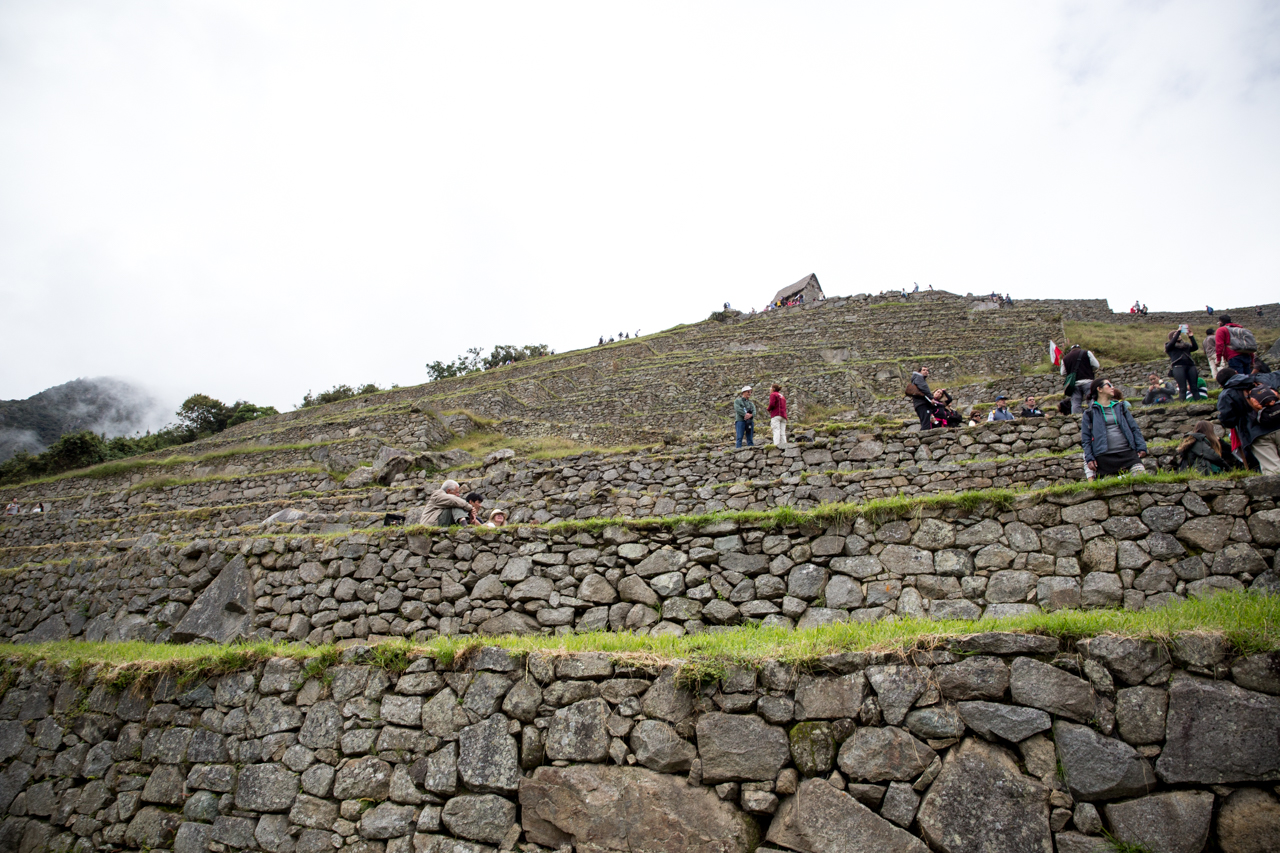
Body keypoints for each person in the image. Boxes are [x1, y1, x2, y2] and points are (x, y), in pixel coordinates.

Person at [1217, 367, 1280, 474]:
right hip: (1278, 422)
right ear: (1237, 372)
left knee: (1273, 469)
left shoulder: (1226, 394)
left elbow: (1228, 421)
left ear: (1221, 385)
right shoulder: (1259, 378)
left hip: (1257, 434)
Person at [1082, 379, 1148, 479]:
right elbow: (1086, 439)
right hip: (1104, 457)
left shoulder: (1120, 407)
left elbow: (1134, 428)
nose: (1112, 387)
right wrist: (1089, 458)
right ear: (1099, 389)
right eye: (1108, 385)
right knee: (1110, 486)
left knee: (1141, 476)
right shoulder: (1089, 413)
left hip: (1127, 453)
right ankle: (1123, 479)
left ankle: (1122, 479)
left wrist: (1141, 446)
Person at [1165, 327, 1204, 401]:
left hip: (1190, 366)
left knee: (1194, 387)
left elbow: (1195, 347)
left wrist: (1191, 336)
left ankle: (1198, 402)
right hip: (1178, 366)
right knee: (1182, 388)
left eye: (1179, 335)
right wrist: (1178, 331)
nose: (1179, 336)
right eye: (1176, 335)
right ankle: (1182, 404)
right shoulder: (1169, 346)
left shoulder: (1186, 345)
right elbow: (1172, 343)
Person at [1062, 344, 1100, 414]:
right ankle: (1095, 415)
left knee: (1075, 403)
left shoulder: (1065, 358)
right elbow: (1096, 365)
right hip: (1088, 381)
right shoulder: (1086, 353)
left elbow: (1063, 372)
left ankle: (1076, 419)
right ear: (1079, 348)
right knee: (1091, 400)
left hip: (1074, 384)